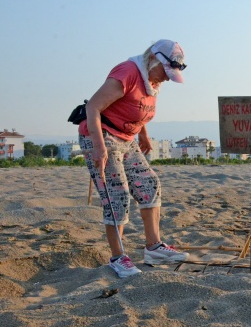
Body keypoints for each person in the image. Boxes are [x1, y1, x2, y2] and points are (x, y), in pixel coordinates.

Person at [79, 39, 189, 278]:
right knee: (116, 195)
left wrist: (144, 135)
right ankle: (118, 257)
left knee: (149, 185)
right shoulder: (127, 73)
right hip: (101, 135)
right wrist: (98, 147)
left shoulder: (153, 80)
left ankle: (154, 247)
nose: (168, 78)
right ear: (153, 60)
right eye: (166, 71)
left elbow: (138, 109)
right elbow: (93, 108)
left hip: (127, 139)